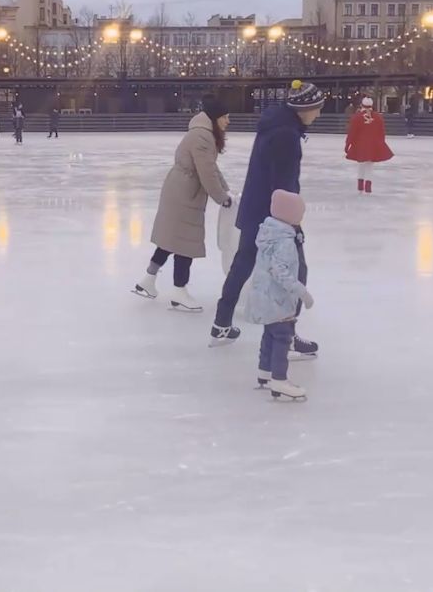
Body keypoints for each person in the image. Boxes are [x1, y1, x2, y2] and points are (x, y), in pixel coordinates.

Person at [211, 79, 325, 353]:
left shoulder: (275, 125)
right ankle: (286, 338)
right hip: (274, 216)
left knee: (243, 263)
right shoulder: (286, 134)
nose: (319, 114)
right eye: (317, 108)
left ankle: (221, 323)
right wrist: (292, 224)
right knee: (296, 270)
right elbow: (283, 185)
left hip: (255, 209)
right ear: (304, 108)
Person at [134, 97, 232, 313]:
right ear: (215, 118)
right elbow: (206, 172)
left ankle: (148, 280)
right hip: (185, 193)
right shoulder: (203, 137)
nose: (228, 121)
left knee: (171, 238)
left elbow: (211, 167)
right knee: (185, 242)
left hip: (181, 189)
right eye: (225, 117)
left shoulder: (202, 133)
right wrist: (221, 197)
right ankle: (179, 291)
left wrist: (226, 189)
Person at [241, 189, 312, 402]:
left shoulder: (269, 234)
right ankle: (280, 380)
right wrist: (302, 292)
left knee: (269, 334)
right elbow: (281, 272)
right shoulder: (285, 242)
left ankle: (265, 372)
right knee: (282, 337)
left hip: (264, 297)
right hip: (278, 299)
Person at [344, 96, 393, 194]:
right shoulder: (378, 117)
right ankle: (368, 188)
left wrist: (347, 144)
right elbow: (382, 133)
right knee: (370, 167)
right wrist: (380, 144)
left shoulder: (356, 117)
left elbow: (352, 133)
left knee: (361, 165)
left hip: (360, 145)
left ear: (362, 105)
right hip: (373, 145)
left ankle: (360, 188)